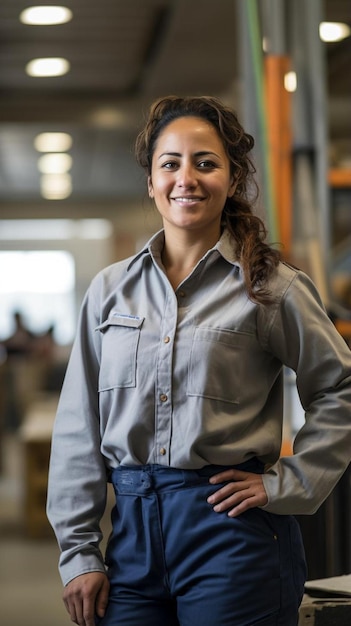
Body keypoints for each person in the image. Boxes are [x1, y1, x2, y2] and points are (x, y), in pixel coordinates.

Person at [47, 95, 351, 626]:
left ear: (232, 181)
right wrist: (78, 553)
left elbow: (340, 387)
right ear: (151, 181)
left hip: (232, 532)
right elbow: (79, 425)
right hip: (132, 535)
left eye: (205, 163)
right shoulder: (109, 292)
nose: (186, 177)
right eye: (171, 163)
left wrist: (291, 481)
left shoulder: (271, 288)